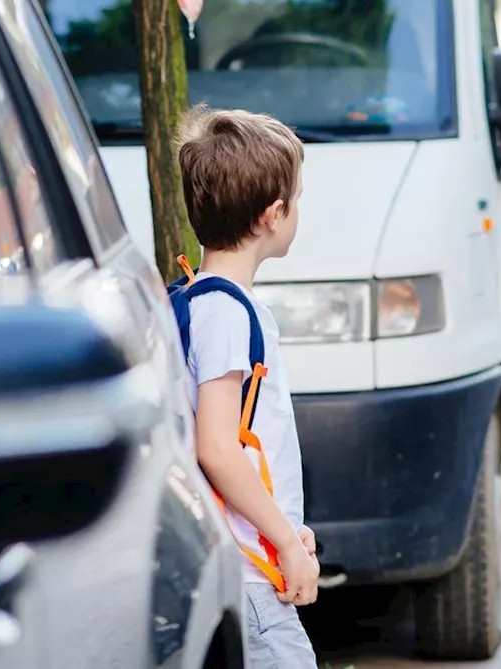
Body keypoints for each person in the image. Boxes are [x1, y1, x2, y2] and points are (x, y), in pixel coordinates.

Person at [175, 104, 319, 668]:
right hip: (250, 572)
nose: (297, 213)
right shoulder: (226, 315)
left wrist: (285, 528)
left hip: (251, 555)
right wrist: (280, 540)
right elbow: (216, 446)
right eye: (297, 201)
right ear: (273, 214)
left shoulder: (206, 300)